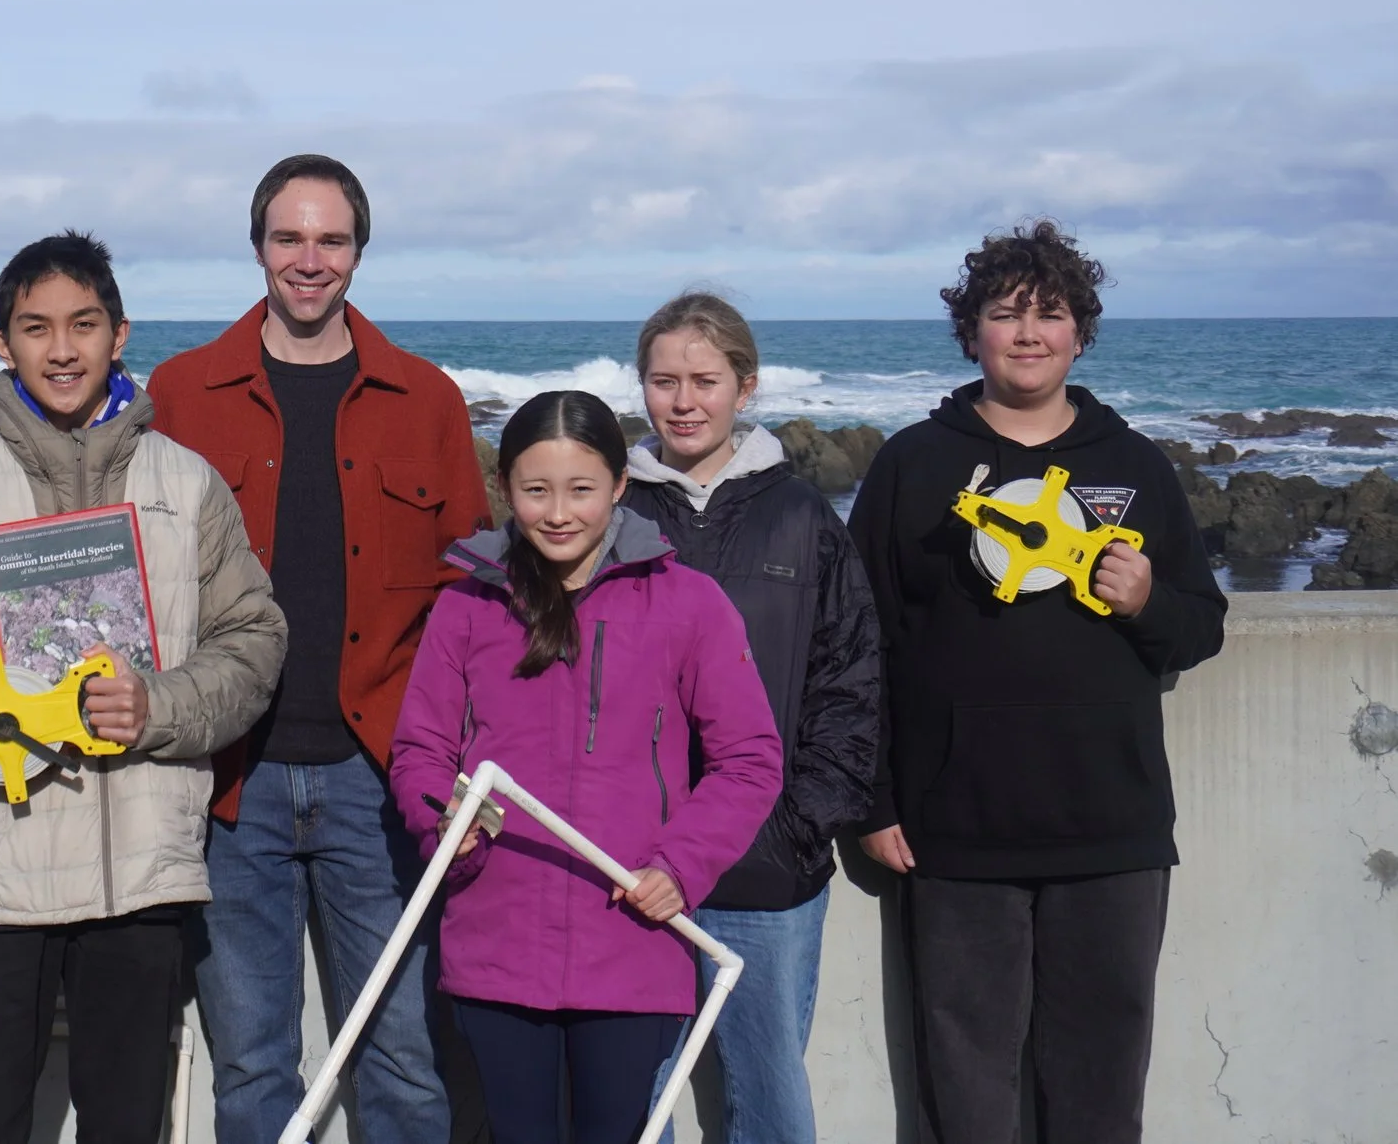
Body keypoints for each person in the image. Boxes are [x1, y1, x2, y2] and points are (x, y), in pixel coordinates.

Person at [0, 230, 287, 1144]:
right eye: (36, 328)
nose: (63, 348)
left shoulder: (186, 481)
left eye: (84, 324)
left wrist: (158, 706)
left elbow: (256, 637)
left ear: (121, 333)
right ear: (3, 343)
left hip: (140, 879)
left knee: (128, 1126)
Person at [852, 221, 1227, 1144]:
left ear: (1080, 334)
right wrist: (869, 798)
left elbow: (1201, 624)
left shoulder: (1134, 464)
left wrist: (1145, 600)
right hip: (954, 830)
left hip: (1112, 829)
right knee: (965, 1097)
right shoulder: (912, 464)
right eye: (1005, 313)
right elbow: (857, 645)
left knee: (1101, 1094)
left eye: (1049, 314)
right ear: (970, 330)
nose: (1028, 333)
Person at [147, 153, 490, 1144]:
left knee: (403, 1063)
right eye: (289, 237)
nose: (309, 259)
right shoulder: (180, 392)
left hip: (378, 780)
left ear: (358, 249)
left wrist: (463, 765)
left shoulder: (425, 399)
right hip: (228, 784)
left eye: (330, 238)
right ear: (258, 245)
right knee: (251, 1067)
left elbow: (469, 604)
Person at [390, 391, 783, 1144]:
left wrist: (681, 864)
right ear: (504, 487)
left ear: (620, 485)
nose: (559, 512)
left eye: (582, 489)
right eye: (536, 490)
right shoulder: (466, 606)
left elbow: (749, 758)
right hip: (496, 939)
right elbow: (420, 750)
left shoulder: (690, 604)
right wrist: (443, 817)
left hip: (633, 935)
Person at [617, 293, 879, 1144]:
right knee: (632, 1103)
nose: (683, 400)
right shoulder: (610, 514)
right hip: (630, 868)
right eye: (664, 380)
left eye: (704, 379)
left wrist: (801, 823)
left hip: (768, 868)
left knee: (768, 1104)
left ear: (746, 386)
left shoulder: (802, 517)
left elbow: (850, 683)